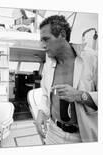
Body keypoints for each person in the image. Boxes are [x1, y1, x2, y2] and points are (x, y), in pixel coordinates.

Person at [36, 15, 98, 144]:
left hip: (83, 136)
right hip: (53, 132)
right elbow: (46, 94)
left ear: (62, 35)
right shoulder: (48, 65)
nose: (42, 45)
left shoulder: (93, 59)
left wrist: (79, 95)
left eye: (46, 39)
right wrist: (41, 112)